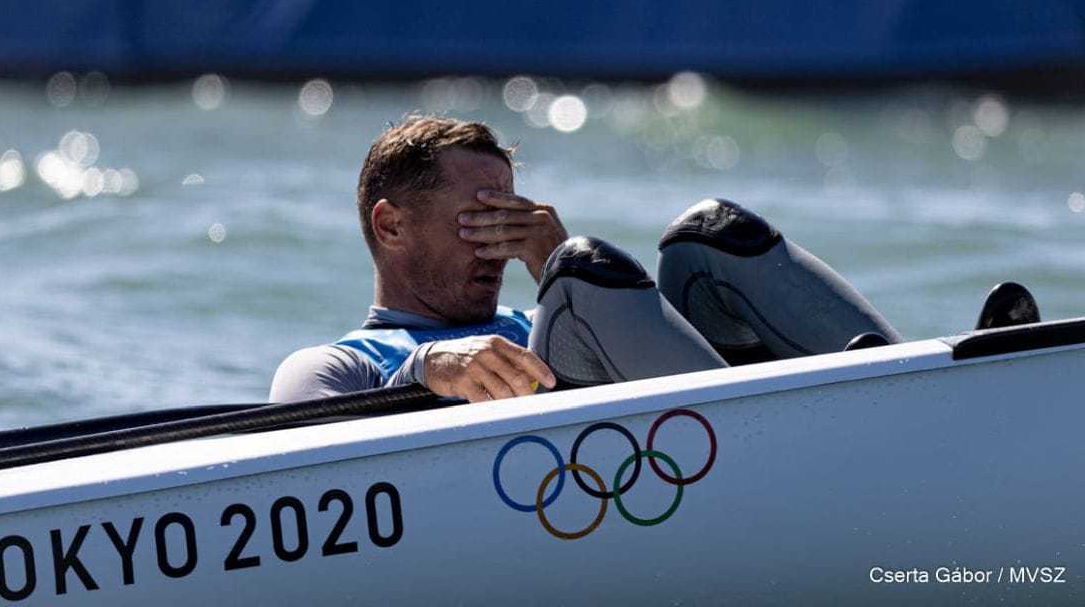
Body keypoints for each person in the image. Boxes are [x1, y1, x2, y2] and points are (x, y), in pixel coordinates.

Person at [269, 115, 915, 404]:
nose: (498, 245)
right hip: (650, 471)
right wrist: (424, 368)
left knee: (710, 234)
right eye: (478, 221)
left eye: (511, 218)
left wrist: (551, 261)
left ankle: (908, 393)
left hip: (688, 433)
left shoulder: (544, 318)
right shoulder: (342, 364)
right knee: (585, 273)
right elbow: (296, 452)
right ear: (392, 226)